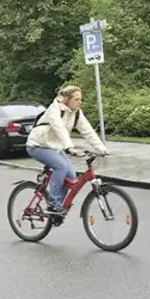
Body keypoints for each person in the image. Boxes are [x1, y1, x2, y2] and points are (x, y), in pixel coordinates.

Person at [26, 84, 110, 215]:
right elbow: (59, 129)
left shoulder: (76, 113)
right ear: (67, 99)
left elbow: (87, 131)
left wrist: (102, 149)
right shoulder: (54, 110)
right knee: (61, 166)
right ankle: (53, 204)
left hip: (55, 147)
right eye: (76, 99)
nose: (80, 102)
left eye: (80, 99)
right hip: (38, 145)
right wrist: (70, 147)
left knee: (71, 176)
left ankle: (58, 208)